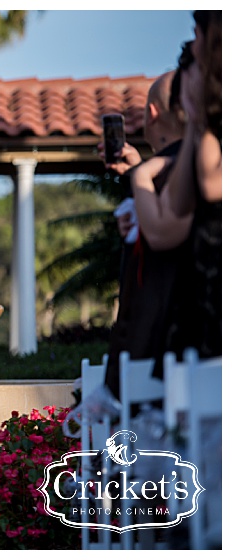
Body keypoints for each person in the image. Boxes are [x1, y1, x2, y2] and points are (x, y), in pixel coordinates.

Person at [131, 11, 221, 360]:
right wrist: (198, 121)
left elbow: (212, 184)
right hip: (200, 297)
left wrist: (140, 176)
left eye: (198, 33)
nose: (194, 43)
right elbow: (179, 203)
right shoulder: (203, 130)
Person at [99, 67, 187, 394]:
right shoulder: (191, 169)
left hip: (159, 355)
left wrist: (139, 178)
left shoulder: (166, 177)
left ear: (152, 114)